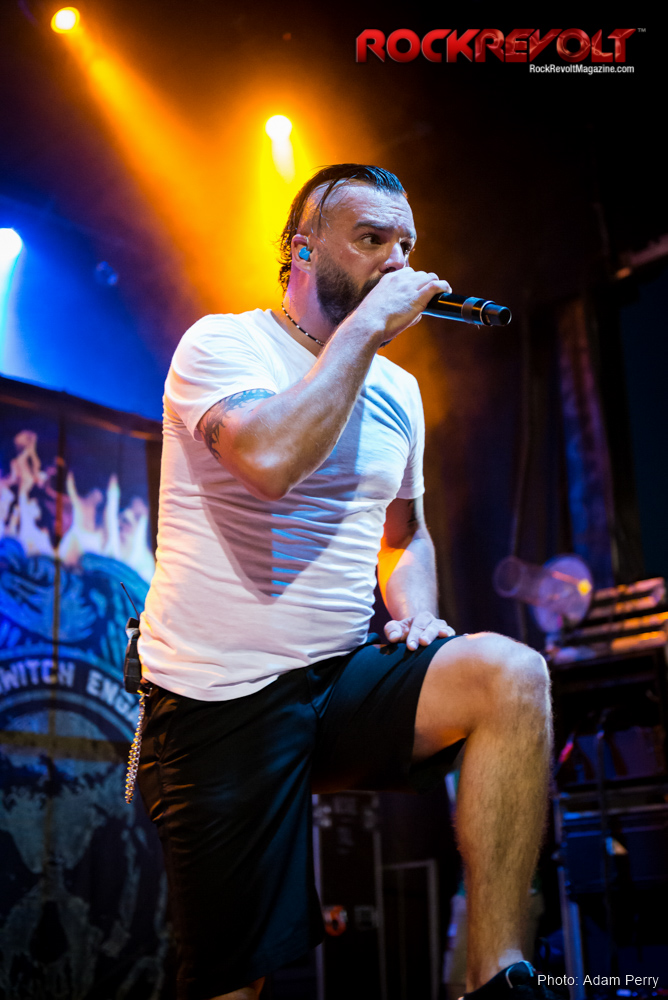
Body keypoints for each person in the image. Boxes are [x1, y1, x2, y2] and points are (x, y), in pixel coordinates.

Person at [137, 164, 559, 1000]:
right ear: (302, 250)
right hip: (221, 697)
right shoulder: (222, 344)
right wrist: (364, 329)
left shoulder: (399, 390)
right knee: (232, 984)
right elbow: (268, 460)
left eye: (407, 245)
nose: (397, 263)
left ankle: (497, 975)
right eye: (372, 240)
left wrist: (419, 612)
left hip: (336, 680)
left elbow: (404, 537)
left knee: (512, 676)